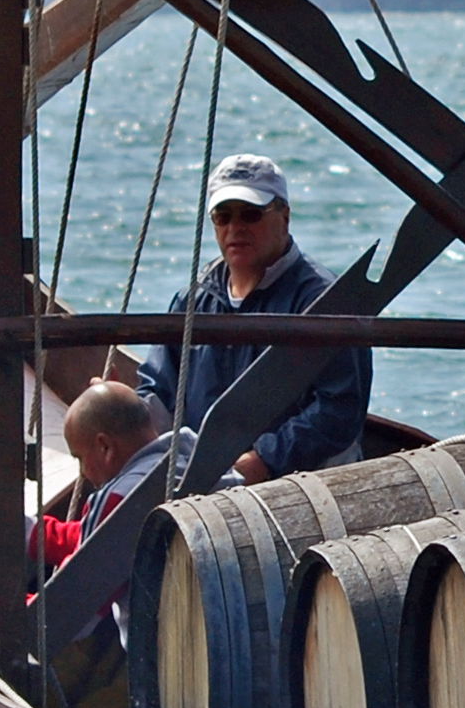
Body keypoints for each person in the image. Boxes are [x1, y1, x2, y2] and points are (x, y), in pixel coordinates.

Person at [137, 154, 368, 485]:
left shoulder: (323, 301)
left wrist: (264, 460)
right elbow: (157, 388)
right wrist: (130, 416)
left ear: (285, 217)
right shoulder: (193, 299)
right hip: (202, 479)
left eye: (251, 214)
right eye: (223, 216)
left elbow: (339, 410)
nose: (235, 228)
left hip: (297, 483)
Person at [27, 380, 185, 708]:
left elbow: (75, 609)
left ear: (104, 447)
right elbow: (92, 541)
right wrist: (33, 533)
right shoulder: (190, 458)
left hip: (165, 668)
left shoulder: (121, 498)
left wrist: (5, 609)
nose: (83, 472)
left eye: (80, 458)